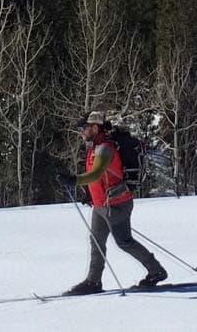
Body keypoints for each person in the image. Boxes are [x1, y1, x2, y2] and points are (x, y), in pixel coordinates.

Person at [55, 112, 167, 295]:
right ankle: (93, 281)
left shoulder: (105, 148)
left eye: (83, 128)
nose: (80, 132)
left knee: (124, 242)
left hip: (116, 204)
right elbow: (101, 179)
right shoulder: (94, 147)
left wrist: (73, 180)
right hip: (101, 205)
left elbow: (96, 173)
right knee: (96, 242)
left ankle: (157, 271)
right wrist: (90, 195)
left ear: (95, 128)